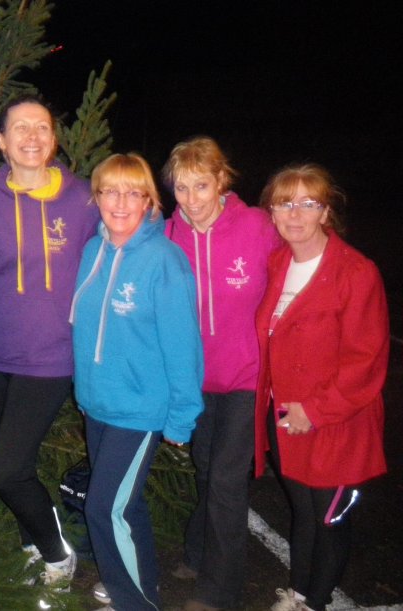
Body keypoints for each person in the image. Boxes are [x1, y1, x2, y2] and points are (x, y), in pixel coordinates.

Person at [0, 95, 99, 586]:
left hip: (50, 356)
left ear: (53, 138)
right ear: (1, 141)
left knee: (6, 469)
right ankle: (30, 547)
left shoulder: (83, 198)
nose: (32, 137)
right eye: (19, 128)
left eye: (41, 127)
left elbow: (124, 236)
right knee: (12, 459)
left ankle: (58, 552)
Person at [70, 153, 204, 611]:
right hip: (97, 404)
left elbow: (184, 346)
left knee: (104, 507)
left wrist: (182, 418)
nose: (120, 202)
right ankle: (141, 582)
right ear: (97, 197)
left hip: (141, 409)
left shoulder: (164, 261)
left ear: (149, 201)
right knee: (126, 507)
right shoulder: (93, 250)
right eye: (110, 190)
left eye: (133, 192)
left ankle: (137, 602)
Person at [254, 164, 388, 611]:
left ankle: (315, 602)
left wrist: (313, 411)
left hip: (334, 424)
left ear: (325, 211)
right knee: (304, 514)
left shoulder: (355, 272)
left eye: (308, 203)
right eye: (284, 202)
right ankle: (297, 593)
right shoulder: (278, 263)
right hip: (284, 420)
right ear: (271, 212)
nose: (295, 213)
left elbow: (365, 362)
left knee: (328, 519)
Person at [160, 137, 281, 611]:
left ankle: (220, 591)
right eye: (182, 188)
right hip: (194, 381)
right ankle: (198, 550)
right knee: (208, 472)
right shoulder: (168, 235)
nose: (191, 200)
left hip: (247, 379)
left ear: (222, 182)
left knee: (228, 481)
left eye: (201, 186)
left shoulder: (257, 227)